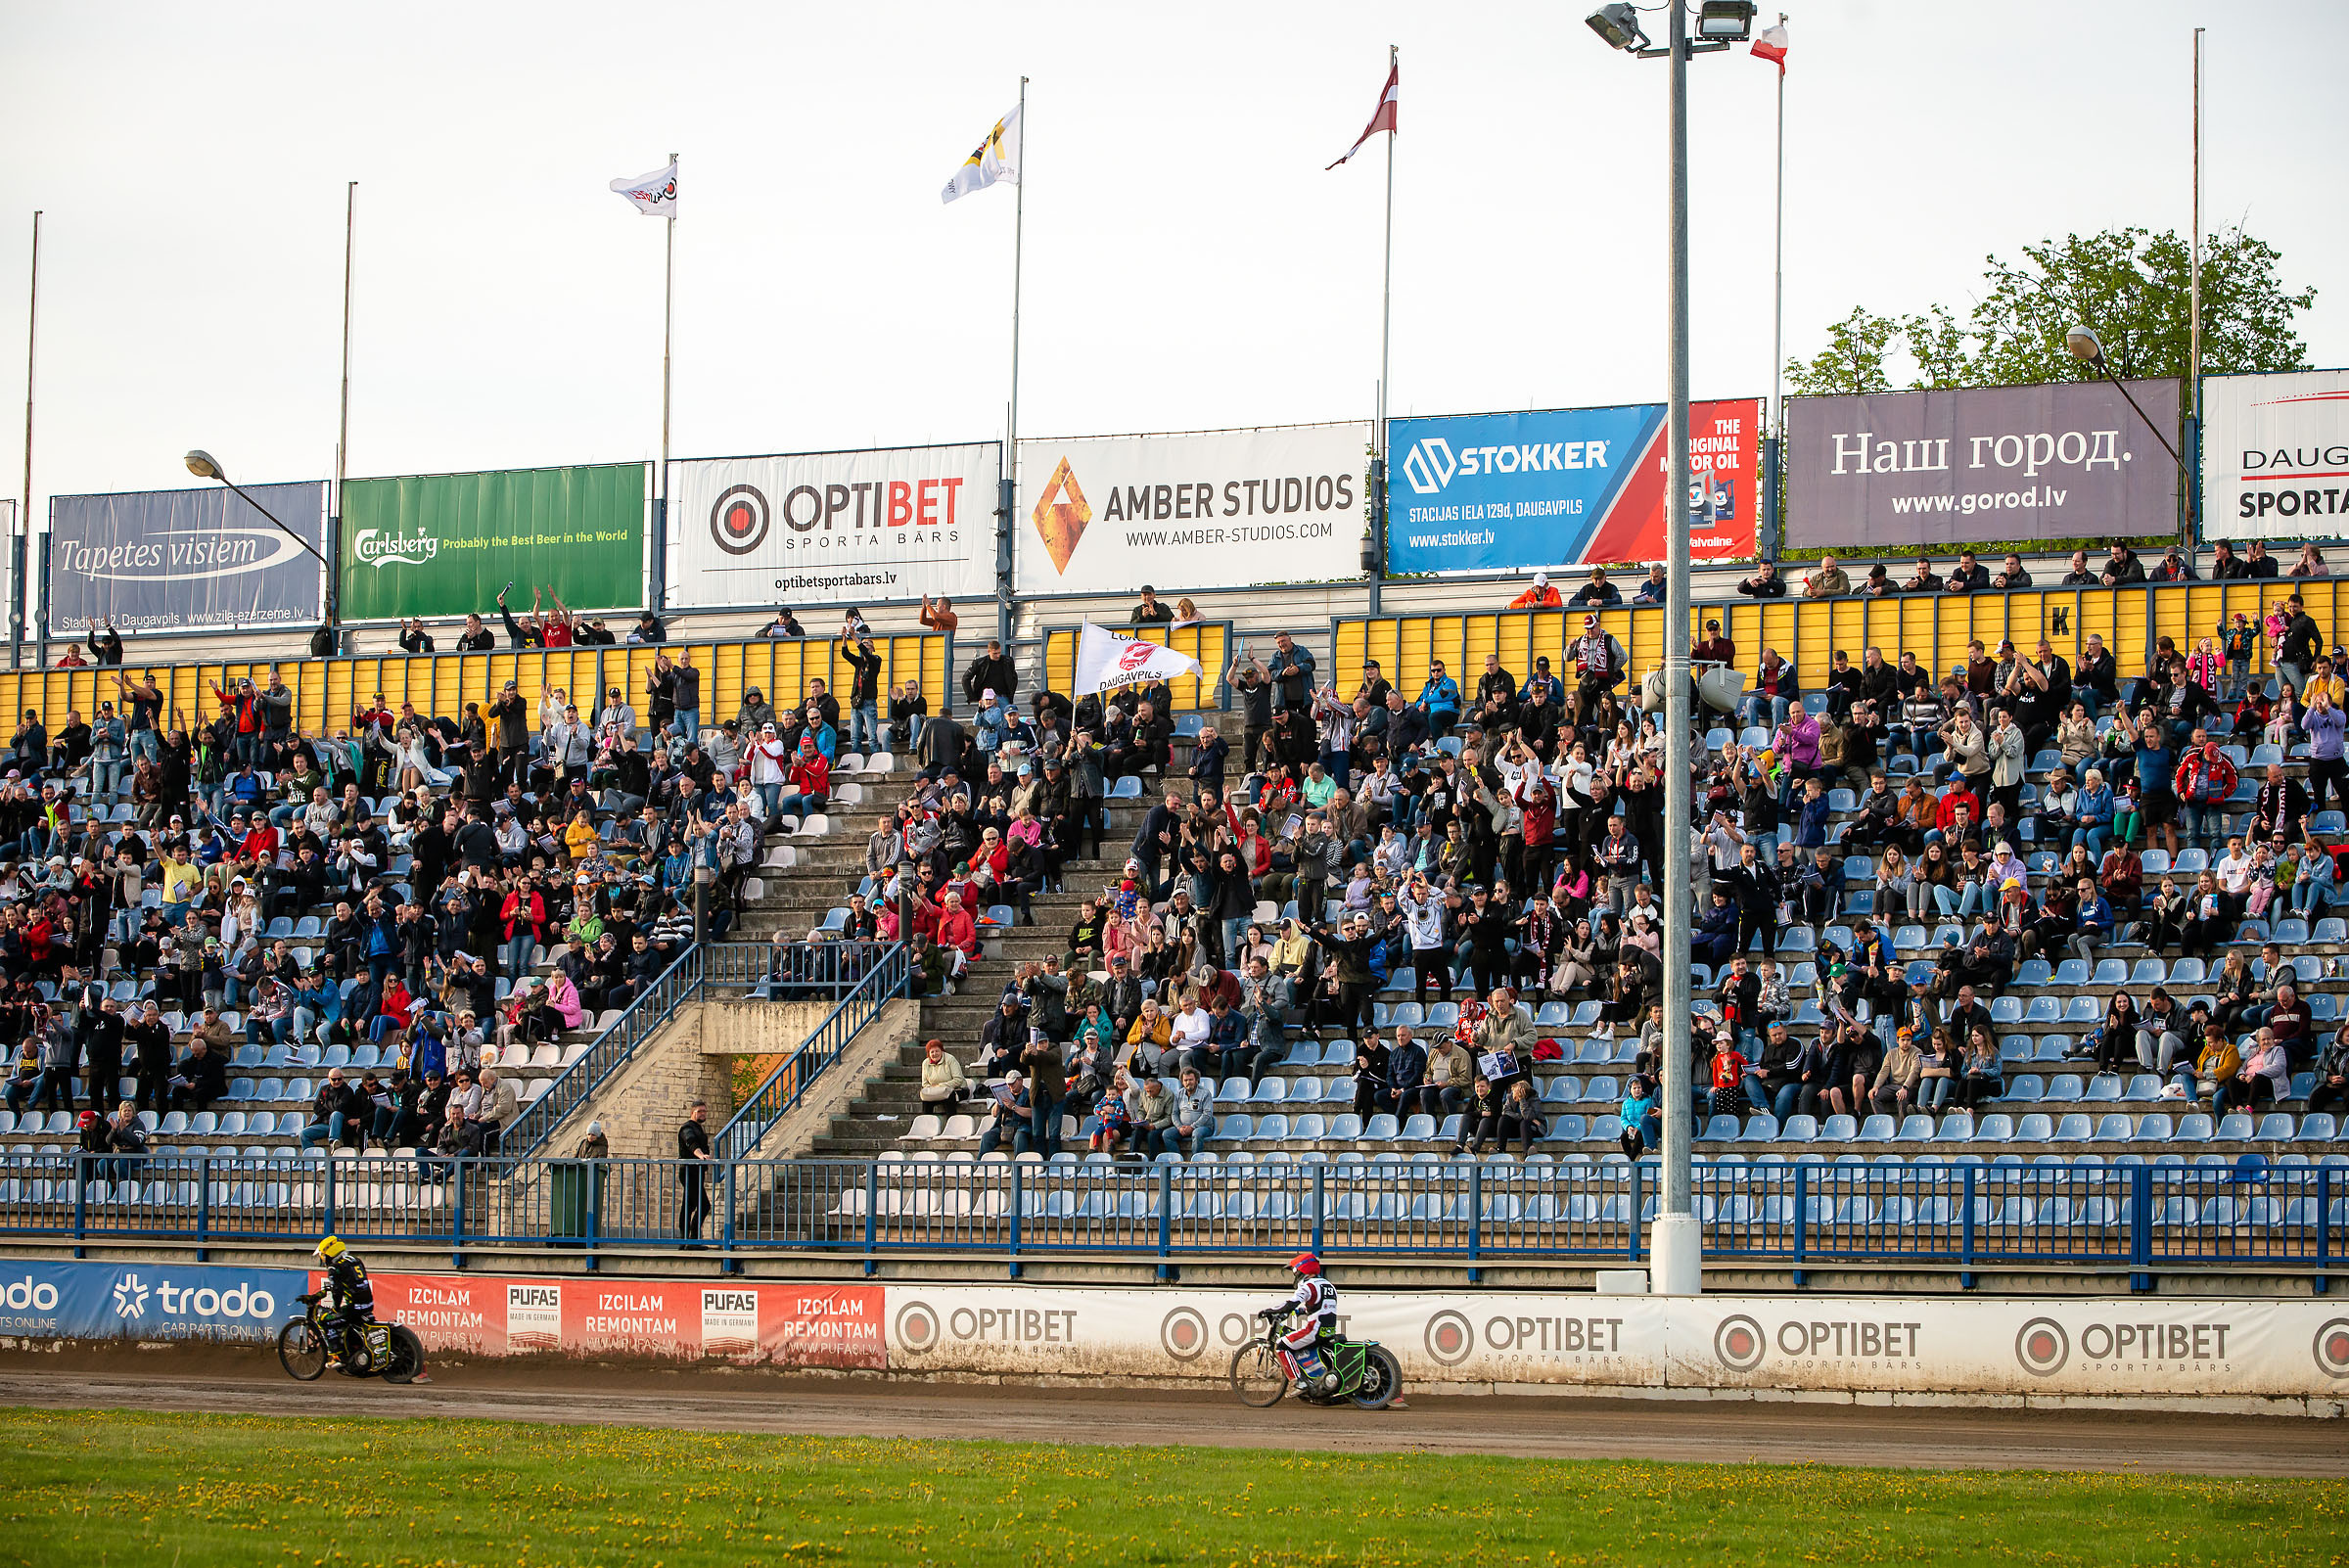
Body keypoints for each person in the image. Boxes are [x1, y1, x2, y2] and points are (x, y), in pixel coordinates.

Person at [1266, 1251, 1340, 1394]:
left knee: (1281, 1345)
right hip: (1328, 1331)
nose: (1295, 1275)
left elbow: (1290, 1303)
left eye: (1295, 1272)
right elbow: (1319, 1307)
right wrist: (1300, 1311)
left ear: (1302, 1270)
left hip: (1314, 1331)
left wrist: (1271, 1310)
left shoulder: (1308, 1286)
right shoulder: (1329, 1286)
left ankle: (1298, 1382)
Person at [311, 1235, 378, 1365]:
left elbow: (337, 1290)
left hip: (354, 1308)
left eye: (323, 1255)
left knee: (324, 1320)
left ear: (329, 1253)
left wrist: (335, 1308)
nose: (323, 1259)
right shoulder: (355, 1260)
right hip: (369, 1304)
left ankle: (338, 1356)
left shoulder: (334, 1268)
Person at [676, 1099, 713, 1243]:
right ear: (692, 1113)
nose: (703, 1114)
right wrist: (700, 1155)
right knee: (704, 1205)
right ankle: (692, 1239)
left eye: (704, 1111)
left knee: (689, 1205)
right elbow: (690, 1142)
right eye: (700, 1111)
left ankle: (686, 1241)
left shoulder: (698, 1128)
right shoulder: (687, 1128)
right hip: (689, 1171)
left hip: (697, 1172)